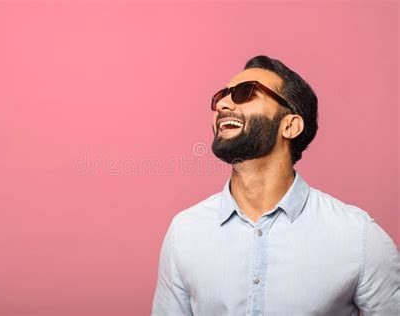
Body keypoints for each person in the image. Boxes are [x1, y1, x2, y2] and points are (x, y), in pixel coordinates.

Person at [151, 55, 399, 315]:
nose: (222, 104)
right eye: (221, 96)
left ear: (290, 126)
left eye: (245, 93)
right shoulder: (185, 232)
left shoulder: (359, 238)